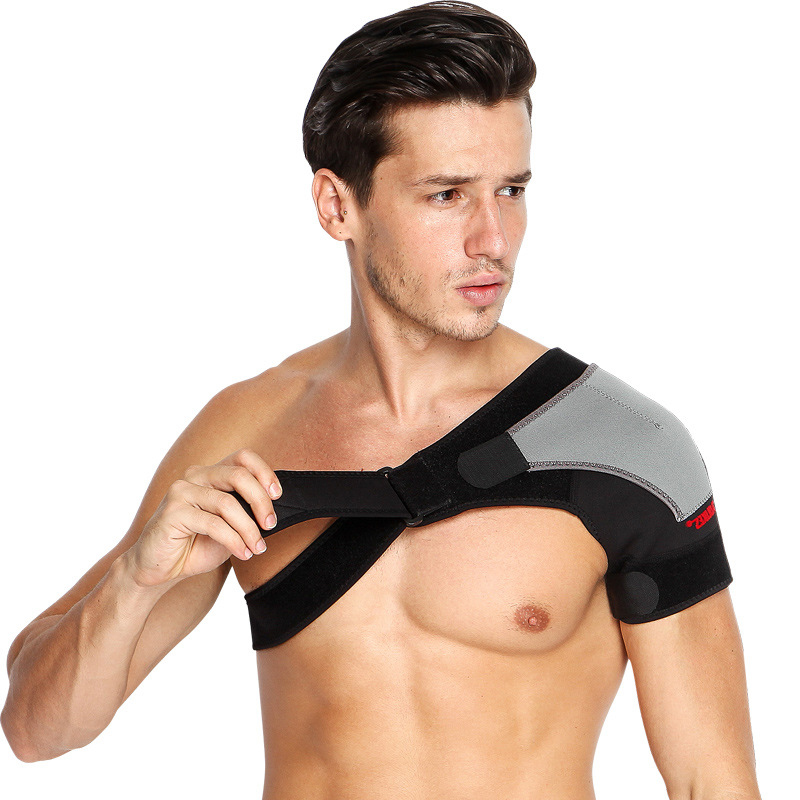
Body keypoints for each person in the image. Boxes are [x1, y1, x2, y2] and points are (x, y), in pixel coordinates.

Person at [2, 2, 761, 797]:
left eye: (510, 189)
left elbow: (713, 782)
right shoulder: (248, 432)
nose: (492, 240)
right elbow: (32, 730)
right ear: (338, 206)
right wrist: (135, 581)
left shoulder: (622, 447)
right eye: (446, 195)